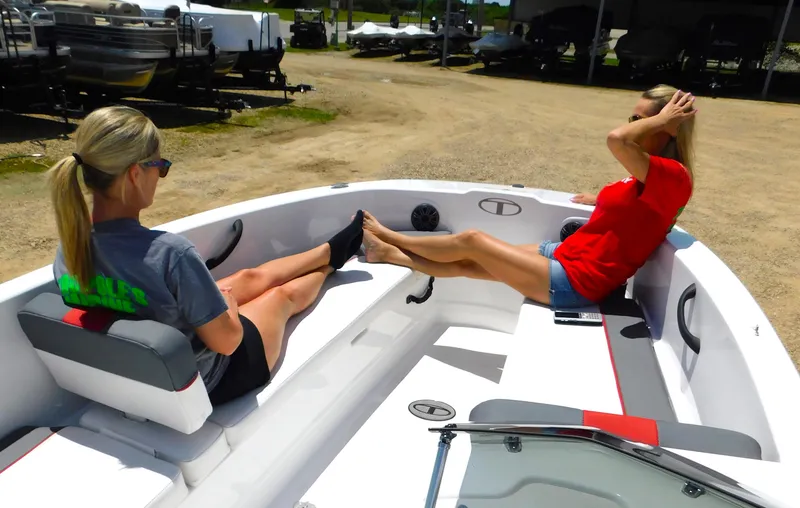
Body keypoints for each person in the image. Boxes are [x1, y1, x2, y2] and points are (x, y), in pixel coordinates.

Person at [47, 105, 364, 405]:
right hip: (209, 379)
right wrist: (229, 311)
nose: (161, 175)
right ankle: (330, 268)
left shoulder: (69, 251)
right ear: (134, 175)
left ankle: (327, 252)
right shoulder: (170, 253)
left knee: (246, 278)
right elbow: (227, 343)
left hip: (139, 372)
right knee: (282, 297)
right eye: (160, 166)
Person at [361, 85, 697, 308]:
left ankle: (389, 236)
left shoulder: (674, 176)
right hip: (568, 255)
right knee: (472, 265)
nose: (633, 125)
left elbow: (616, 140)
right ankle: (389, 253)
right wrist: (601, 199)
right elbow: (639, 207)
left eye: (643, 120)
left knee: (473, 241)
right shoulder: (650, 175)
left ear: (669, 126)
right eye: (633, 118)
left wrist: (663, 120)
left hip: (578, 282)